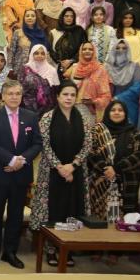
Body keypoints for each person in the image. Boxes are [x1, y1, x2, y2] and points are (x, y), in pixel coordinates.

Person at [30, 81, 93, 267]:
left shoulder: (84, 119)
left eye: (72, 95)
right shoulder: (47, 118)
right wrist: (60, 167)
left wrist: (72, 166)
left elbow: (88, 144)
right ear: (57, 97)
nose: (69, 98)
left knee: (72, 209)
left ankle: (68, 248)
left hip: (76, 172)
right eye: (65, 94)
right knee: (53, 210)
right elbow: (45, 145)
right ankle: (50, 249)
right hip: (52, 172)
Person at [0, 79, 41, 268]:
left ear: (21, 96)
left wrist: (21, 161)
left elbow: (37, 144)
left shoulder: (31, 117)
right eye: (10, 94)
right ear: (3, 96)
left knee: (15, 216)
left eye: (17, 93)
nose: (14, 97)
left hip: (21, 175)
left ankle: (10, 252)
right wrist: (10, 160)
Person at [87, 100, 140, 223]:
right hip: (101, 182)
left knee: (126, 223)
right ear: (107, 113)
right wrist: (105, 169)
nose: (117, 113)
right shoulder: (97, 130)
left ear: (125, 113)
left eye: (120, 110)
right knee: (99, 223)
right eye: (113, 110)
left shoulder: (134, 132)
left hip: (127, 184)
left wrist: (116, 168)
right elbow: (90, 152)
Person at [65, 42, 113, 121]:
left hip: (91, 112)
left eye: (90, 49)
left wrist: (93, 101)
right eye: (84, 49)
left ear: (94, 52)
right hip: (72, 110)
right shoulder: (74, 68)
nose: (87, 51)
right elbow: (66, 89)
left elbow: (106, 95)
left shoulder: (100, 69)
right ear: (80, 51)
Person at [106, 39, 140, 121]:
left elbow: (138, 87)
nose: (121, 50)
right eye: (117, 48)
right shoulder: (107, 68)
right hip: (110, 105)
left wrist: (119, 97)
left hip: (130, 105)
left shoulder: (135, 67)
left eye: (124, 48)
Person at [20, 44, 59, 114]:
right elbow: (20, 88)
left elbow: (55, 90)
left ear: (46, 55)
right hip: (28, 107)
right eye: (36, 53)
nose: (40, 55)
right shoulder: (25, 69)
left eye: (42, 53)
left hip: (47, 107)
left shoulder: (52, 70)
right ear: (32, 54)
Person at [50, 7, 88, 76]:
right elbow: (50, 50)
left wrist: (71, 61)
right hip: (57, 66)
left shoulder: (79, 31)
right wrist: (60, 62)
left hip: (76, 66)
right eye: (66, 16)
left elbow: (83, 48)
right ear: (62, 17)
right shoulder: (54, 32)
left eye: (71, 16)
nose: (69, 18)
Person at [8, 9, 47, 74]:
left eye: (32, 16)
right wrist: (9, 68)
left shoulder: (41, 33)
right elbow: (12, 51)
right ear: (24, 18)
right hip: (19, 68)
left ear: (36, 18)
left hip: (36, 70)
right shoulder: (18, 32)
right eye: (27, 16)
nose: (30, 18)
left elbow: (45, 53)